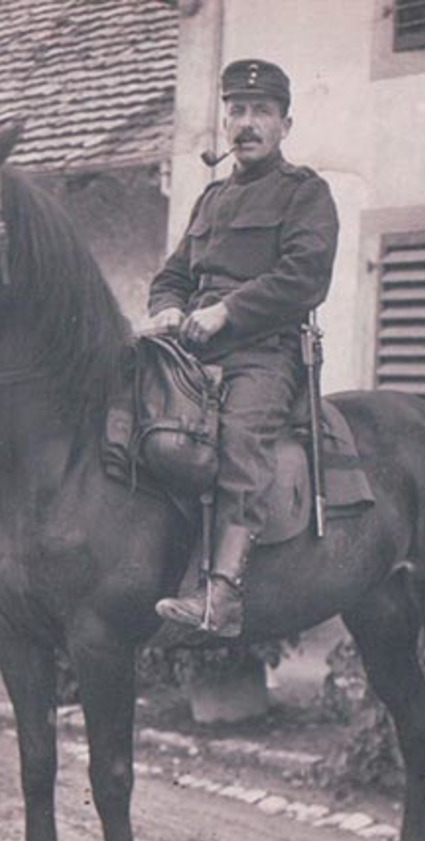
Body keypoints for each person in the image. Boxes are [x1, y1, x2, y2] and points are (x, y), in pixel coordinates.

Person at [146, 58, 340, 637]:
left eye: (261, 111)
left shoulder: (304, 194)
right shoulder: (210, 200)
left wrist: (227, 311)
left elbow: (305, 275)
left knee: (241, 438)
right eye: (236, 110)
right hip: (191, 349)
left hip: (264, 351)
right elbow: (172, 273)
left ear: (285, 123)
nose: (246, 123)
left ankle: (223, 595)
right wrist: (169, 309)